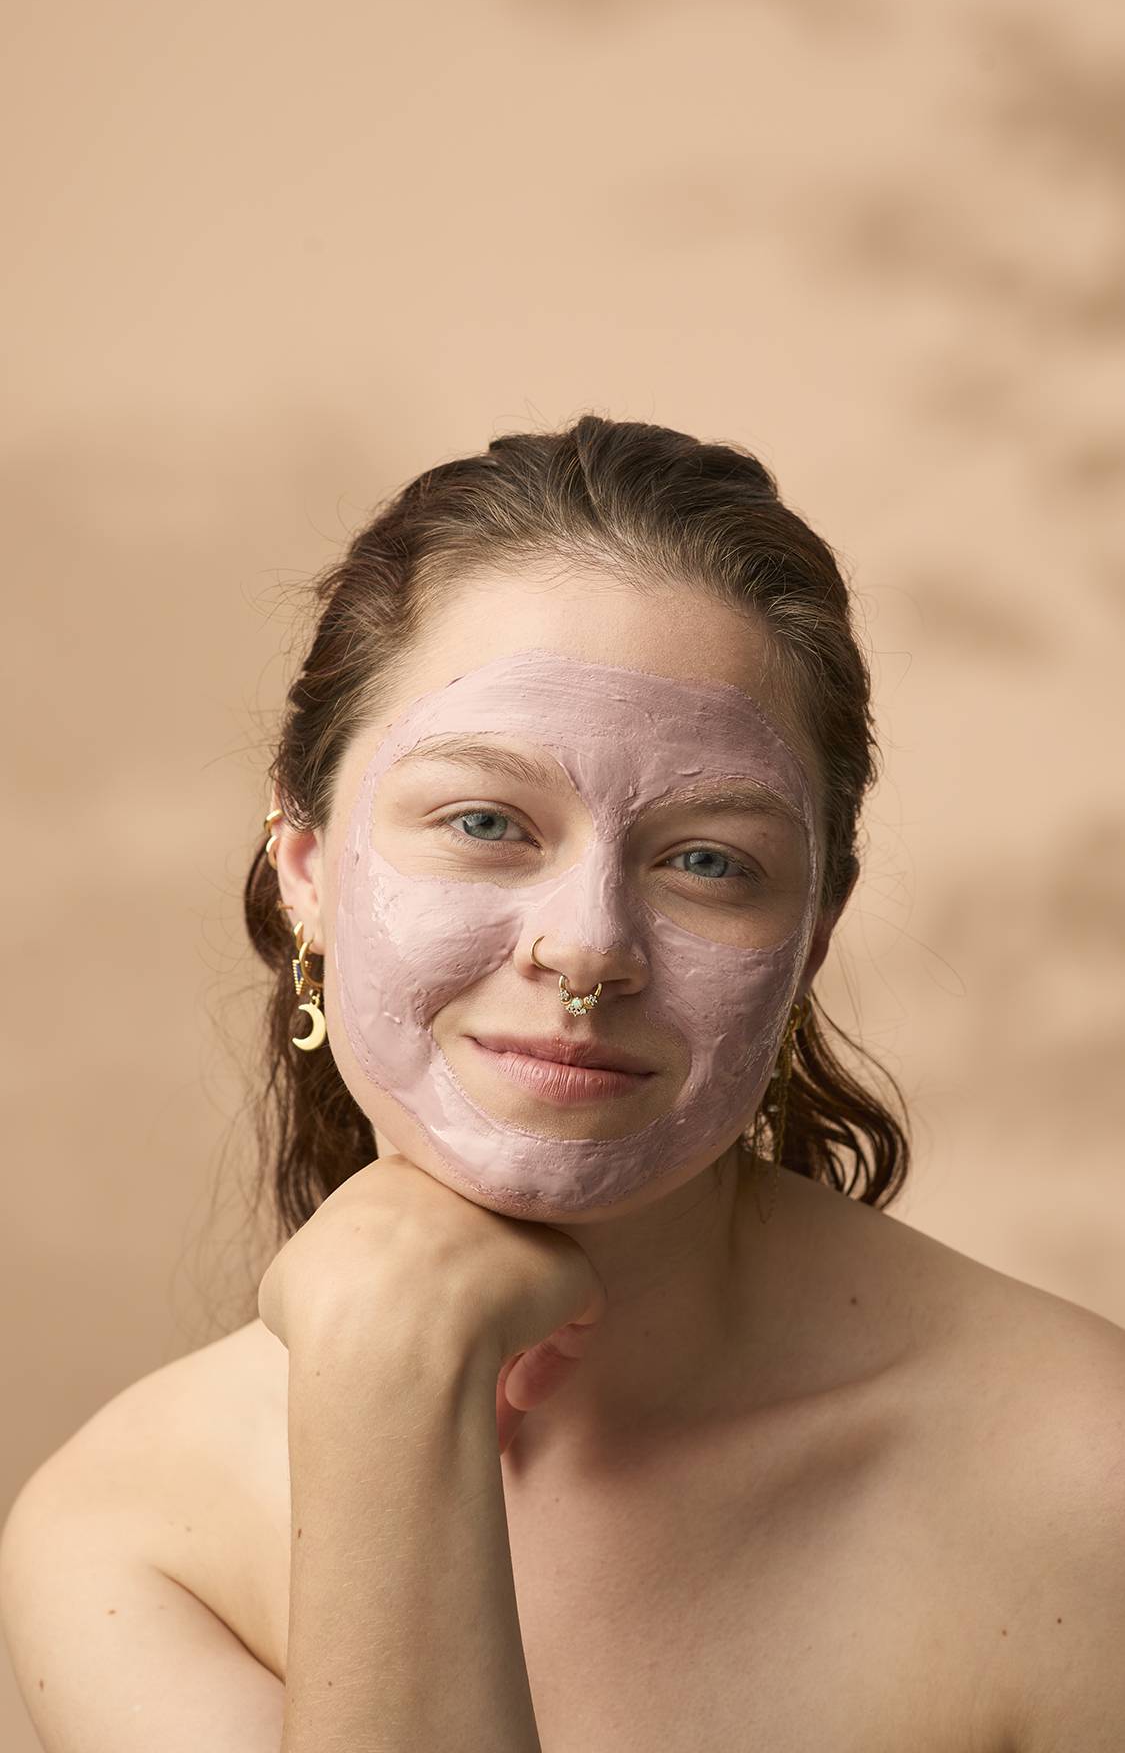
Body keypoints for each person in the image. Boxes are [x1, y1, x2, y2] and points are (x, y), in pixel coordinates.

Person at [4, 413, 1125, 1752]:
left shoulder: (1084, 1480)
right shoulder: (134, 1537)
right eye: (484, 822)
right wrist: (389, 1383)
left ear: (813, 934)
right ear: (303, 869)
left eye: (708, 861)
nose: (588, 945)